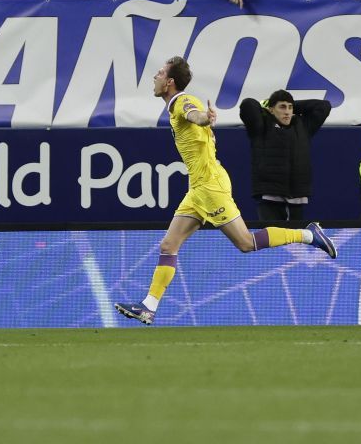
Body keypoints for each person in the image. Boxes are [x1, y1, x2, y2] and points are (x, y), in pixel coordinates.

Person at [113, 57, 336, 325]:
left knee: (246, 242)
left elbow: (194, 114)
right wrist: (203, 120)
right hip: (198, 188)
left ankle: (309, 234)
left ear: (170, 82)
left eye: (160, 73)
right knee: (168, 245)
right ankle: (148, 306)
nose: (155, 77)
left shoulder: (182, 101)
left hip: (210, 186)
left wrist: (204, 118)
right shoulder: (176, 106)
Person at [239, 90, 332, 220]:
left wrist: (292, 105)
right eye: (282, 107)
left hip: (297, 197)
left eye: (290, 107)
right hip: (270, 197)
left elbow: (324, 106)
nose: (287, 112)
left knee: (294, 240)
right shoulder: (261, 126)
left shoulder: (303, 126)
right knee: (273, 239)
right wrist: (267, 106)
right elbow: (248, 104)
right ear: (271, 110)